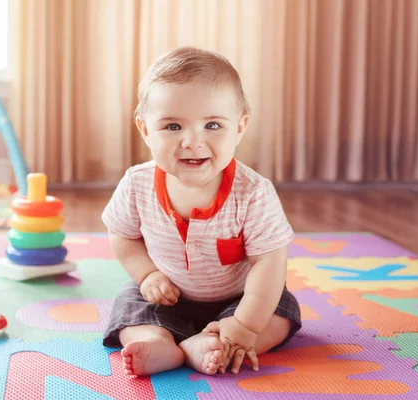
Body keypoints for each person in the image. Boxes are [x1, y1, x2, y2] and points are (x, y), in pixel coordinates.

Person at [101, 46, 301, 377]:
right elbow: (122, 235)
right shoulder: (137, 184)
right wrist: (147, 274)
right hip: (166, 295)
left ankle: (218, 342)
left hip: (239, 299)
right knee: (128, 308)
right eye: (173, 126)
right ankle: (159, 342)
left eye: (212, 125)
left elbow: (269, 263)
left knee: (280, 312)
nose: (193, 141)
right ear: (145, 129)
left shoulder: (252, 193)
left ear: (239, 127)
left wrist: (245, 325)